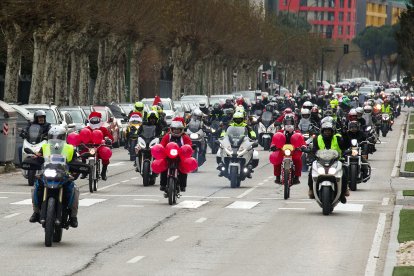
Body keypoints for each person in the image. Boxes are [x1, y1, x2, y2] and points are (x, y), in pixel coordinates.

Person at [29, 126, 80, 228]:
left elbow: (76, 162)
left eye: (58, 136)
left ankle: (73, 217)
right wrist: (34, 158)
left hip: (64, 175)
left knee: (74, 190)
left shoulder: (70, 148)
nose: (55, 139)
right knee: (36, 188)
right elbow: (38, 157)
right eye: (52, 136)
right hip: (47, 173)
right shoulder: (45, 147)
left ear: (63, 137)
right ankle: (36, 212)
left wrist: (76, 170)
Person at [308, 121, 349, 203]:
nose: (327, 132)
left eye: (329, 130)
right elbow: (314, 150)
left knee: (344, 171)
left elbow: (345, 145)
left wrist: (345, 134)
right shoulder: (317, 138)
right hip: (321, 161)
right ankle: (311, 189)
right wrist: (311, 157)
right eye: (325, 130)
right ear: (322, 131)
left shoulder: (337, 137)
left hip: (336, 161)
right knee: (311, 170)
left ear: (332, 131)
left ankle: (343, 191)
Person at [159, 118, 192, 192]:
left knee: (183, 169)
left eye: (178, 129)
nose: (176, 131)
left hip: (180, 158)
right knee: (164, 169)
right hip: (168, 157)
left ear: (181, 130)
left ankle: (183, 186)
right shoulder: (167, 136)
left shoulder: (185, 137)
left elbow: (189, 145)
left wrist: (190, 148)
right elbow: (162, 144)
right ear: (171, 129)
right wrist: (161, 149)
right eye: (174, 129)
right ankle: (163, 185)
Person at [270, 114, 304, 184]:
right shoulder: (280, 132)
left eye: (290, 122)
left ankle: (297, 177)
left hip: (294, 150)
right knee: (277, 160)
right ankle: (277, 177)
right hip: (282, 150)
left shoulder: (297, 132)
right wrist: (273, 146)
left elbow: (302, 141)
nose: (289, 124)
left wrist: (303, 147)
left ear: (294, 123)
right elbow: (275, 140)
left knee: (298, 160)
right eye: (287, 122)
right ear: (284, 123)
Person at [82, 112, 114, 180]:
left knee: (105, 154)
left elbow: (110, 138)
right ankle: (84, 171)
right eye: (93, 120)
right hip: (89, 148)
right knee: (82, 153)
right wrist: (81, 141)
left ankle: (103, 172)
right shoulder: (86, 129)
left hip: (100, 147)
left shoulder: (103, 129)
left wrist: (108, 140)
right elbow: (81, 136)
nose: (94, 122)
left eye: (96, 120)